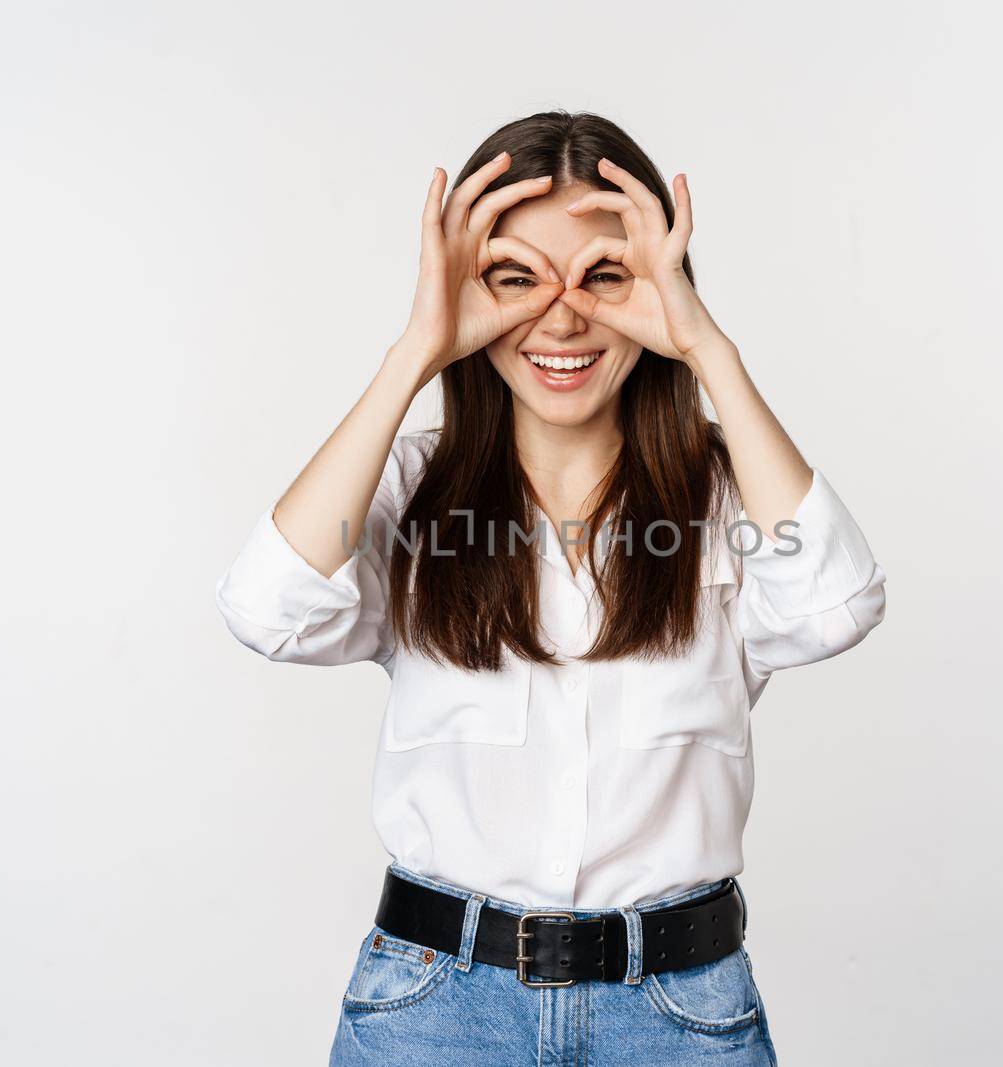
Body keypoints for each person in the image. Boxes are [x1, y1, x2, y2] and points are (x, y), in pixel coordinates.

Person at [213, 109, 887, 1066]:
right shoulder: (406, 492)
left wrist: (709, 352)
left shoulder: (728, 498)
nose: (563, 317)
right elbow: (266, 606)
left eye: (605, 276)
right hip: (435, 1009)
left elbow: (838, 605)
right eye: (515, 279)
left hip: (680, 1013)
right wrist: (416, 351)